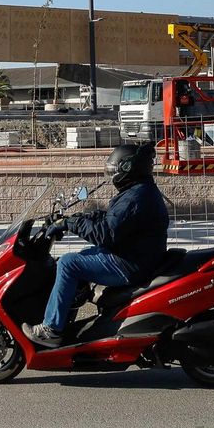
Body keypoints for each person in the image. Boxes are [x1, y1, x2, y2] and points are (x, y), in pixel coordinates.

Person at [25, 142, 170, 347]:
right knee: (81, 256)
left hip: (129, 264)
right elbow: (114, 221)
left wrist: (69, 223)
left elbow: (105, 233)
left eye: (114, 170)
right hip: (132, 255)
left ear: (128, 169)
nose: (111, 175)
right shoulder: (139, 191)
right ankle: (71, 307)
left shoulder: (135, 197)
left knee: (68, 263)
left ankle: (52, 330)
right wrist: (80, 216)